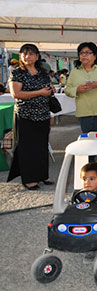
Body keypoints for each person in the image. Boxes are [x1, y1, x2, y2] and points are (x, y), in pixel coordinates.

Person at [7, 44, 56, 190]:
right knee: (27, 148)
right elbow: (16, 94)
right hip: (25, 115)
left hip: (42, 114)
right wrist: (40, 92)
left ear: (37, 56)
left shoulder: (42, 73)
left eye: (31, 54)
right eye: (24, 54)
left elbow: (47, 92)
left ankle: (43, 175)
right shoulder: (17, 73)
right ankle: (29, 179)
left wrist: (49, 91)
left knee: (42, 146)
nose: (27, 57)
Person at [65, 42, 97, 134]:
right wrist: (77, 90)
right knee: (88, 140)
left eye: (88, 52)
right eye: (81, 53)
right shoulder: (75, 71)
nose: (84, 55)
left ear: (95, 55)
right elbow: (67, 90)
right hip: (84, 112)